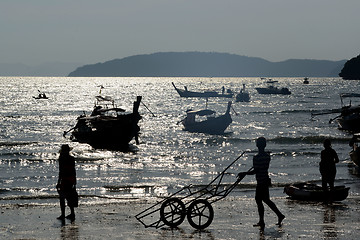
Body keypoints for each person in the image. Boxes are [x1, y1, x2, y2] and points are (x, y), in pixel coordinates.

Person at [239, 137, 285, 230]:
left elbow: (255, 171)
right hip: (265, 180)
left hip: (261, 181)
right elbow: (260, 168)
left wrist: (244, 173)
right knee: (266, 200)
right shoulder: (267, 156)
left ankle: (263, 221)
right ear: (265, 145)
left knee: (259, 200)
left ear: (257, 145)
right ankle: (278, 215)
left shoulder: (256, 157)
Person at [56, 144, 78, 221]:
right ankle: (72, 213)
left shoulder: (61, 158)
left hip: (65, 179)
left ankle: (63, 214)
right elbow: (73, 170)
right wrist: (75, 180)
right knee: (70, 197)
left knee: (62, 197)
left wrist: (58, 181)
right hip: (71, 179)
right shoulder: (72, 158)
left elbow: (61, 171)